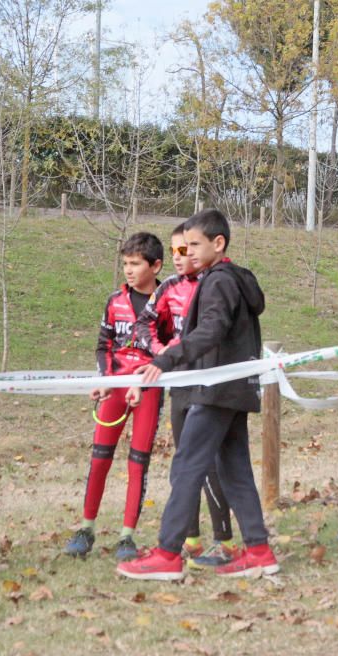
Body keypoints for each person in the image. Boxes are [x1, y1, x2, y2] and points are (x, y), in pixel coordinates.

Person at [117, 208, 277, 581]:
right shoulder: (232, 279)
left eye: (193, 245)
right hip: (232, 388)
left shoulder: (219, 281)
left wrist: (168, 358)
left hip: (214, 390)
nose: (186, 252)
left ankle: (168, 553)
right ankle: (259, 550)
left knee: (187, 465)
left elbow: (211, 330)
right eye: (184, 245)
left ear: (218, 243)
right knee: (235, 469)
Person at [133, 223, 237, 569]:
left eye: (185, 250)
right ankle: (190, 538)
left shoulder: (214, 283)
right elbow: (143, 324)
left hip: (210, 382)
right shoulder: (169, 287)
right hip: (179, 382)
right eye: (175, 251)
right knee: (184, 463)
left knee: (212, 465)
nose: (179, 258)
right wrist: (161, 351)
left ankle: (225, 539)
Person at [64, 232, 164, 561]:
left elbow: (169, 352)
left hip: (148, 391)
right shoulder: (114, 301)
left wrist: (145, 380)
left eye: (135, 264)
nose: (129, 270)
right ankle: (86, 528)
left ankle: (127, 536)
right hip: (114, 389)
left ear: (155, 266)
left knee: (138, 463)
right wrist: (106, 380)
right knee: (99, 458)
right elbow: (103, 344)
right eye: (125, 264)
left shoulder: (168, 301)